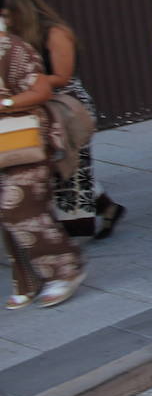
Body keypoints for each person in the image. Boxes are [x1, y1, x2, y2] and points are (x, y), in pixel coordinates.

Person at [0, 0, 121, 240]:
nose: (6, 21)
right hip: (41, 106)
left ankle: (71, 236)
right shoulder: (18, 37)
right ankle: (107, 208)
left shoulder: (54, 32)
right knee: (60, 167)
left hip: (69, 107)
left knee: (72, 167)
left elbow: (63, 76)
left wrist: (28, 83)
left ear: (20, 11)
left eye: (8, 15)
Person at [0, 31, 85, 309]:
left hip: (23, 140)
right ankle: (27, 280)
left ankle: (65, 268)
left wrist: (5, 103)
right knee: (8, 213)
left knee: (18, 207)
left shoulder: (10, 47)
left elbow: (41, 90)